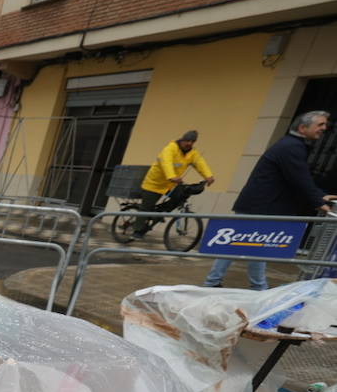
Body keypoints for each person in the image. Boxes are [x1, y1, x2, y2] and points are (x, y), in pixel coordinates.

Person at [204, 111, 336, 290]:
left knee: (236, 245)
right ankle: (258, 287)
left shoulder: (292, 145)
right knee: (260, 246)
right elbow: (299, 178)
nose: (324, 128)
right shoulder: (292, 147)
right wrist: (319, 202)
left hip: (258, 204)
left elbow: (297, 177)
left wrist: (319, 195)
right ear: (303, 128)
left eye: (325, 124)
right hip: (263, 206)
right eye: (320, 124)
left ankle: (213, 282)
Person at [132, 130, 214, 238]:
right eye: (187, 140)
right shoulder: (170, 148)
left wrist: (208, 176)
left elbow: (200, 163)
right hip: (154, 183)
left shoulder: (192, 153)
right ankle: (137, 231)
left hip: (170, 185)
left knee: (180, 196)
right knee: (145, 208)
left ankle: (159, 212)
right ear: (182, 139)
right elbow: (166, 162)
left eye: (192, 141)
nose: (189, 143)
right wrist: (171, 176)